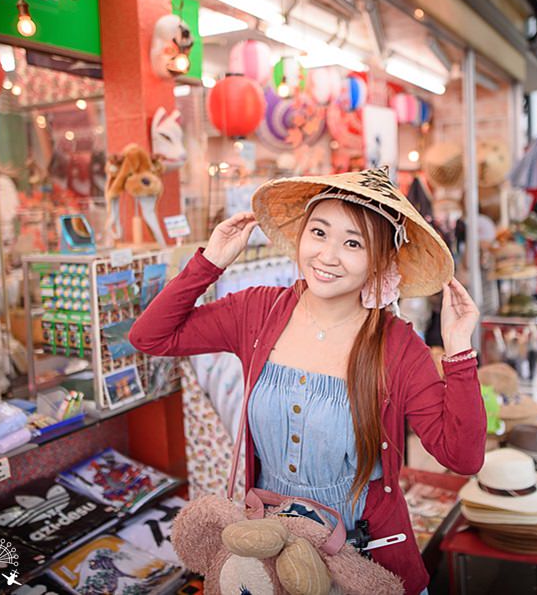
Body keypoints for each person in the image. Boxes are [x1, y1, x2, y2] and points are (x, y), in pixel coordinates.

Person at [129, 167, 486, 594]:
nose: (328, 255)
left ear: (381, 261)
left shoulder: (398, 346)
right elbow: (150, 336)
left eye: (353, 243)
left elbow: (462, 457)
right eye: (319, 233)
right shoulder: (258, 311)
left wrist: (459, 350)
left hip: (360, 560)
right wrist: (209, 263)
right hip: (270, 557)